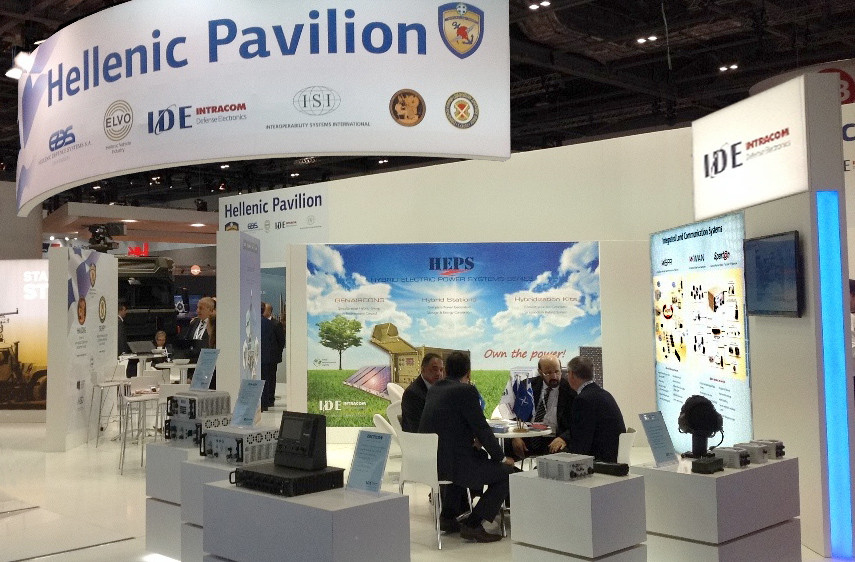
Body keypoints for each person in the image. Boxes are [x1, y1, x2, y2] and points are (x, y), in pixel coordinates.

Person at [419, 351, 516, 543]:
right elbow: (482, 428)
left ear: (446, 371)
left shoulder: (435, 389)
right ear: (468, 373)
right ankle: (473, 524)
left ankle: (448, 517)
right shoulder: (466, 391)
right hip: (453, 464)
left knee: (475, 459)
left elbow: (450, 423)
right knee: (507, 473)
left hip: (431, 462)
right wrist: (503, 458)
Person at [552, 356, 625, 462]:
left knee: (552, 454)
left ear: (571, 374)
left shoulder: (583, 400)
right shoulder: (604, 394)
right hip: (612, 455)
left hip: (599, 460)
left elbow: (580, 445)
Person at [508, 354, 574, 459]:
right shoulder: (527, 386)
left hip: (553, 437)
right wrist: (516, 437)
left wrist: (564, 438)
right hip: (528, 434)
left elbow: (578, 423)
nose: (554, 376)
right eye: (548, 373)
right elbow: (514, 414)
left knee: (561, 451)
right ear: (540, 372)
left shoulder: (571, 391)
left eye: (557, 371)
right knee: (507, 443)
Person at [401, 353, 444, 432]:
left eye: (441, 370)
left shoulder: (440, 389)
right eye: (435, 369)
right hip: (420, 438)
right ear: (423, 369)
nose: (439, 374)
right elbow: (418, 428)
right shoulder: (412, 394)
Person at [260, 302, 283, 411]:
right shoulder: (267, 323)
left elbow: (281, 341)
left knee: (270, 378)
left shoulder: (275, 324)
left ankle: (269, 398)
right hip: (265, 356)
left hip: (272, 356)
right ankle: (266, 400)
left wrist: (277, 354)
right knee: (266, 378)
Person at [117, 301, 137, 377]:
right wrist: (123, 352)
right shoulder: (119, 322)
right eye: (124, 310)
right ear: (120, 311)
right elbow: (121, 339)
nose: (126, 312)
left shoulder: (119, 322)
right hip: (121, 353)